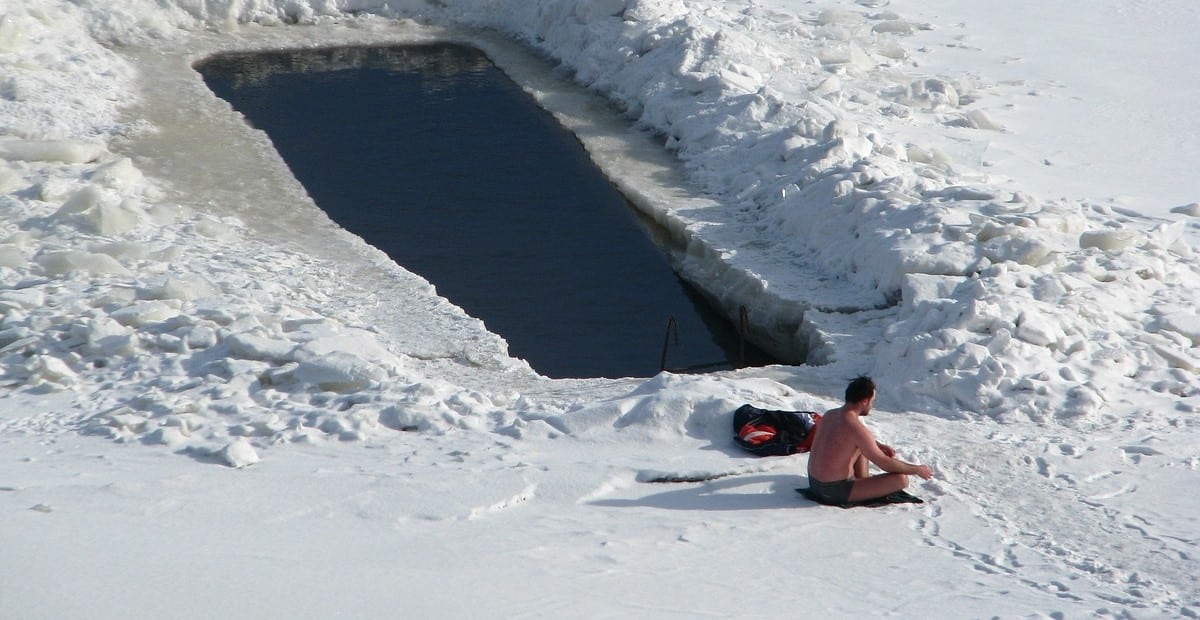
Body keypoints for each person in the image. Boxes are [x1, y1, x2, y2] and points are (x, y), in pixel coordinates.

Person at [806, 376, 932, 504]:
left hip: (814, 484)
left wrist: (879, 446)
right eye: (872, 401)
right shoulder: (855, 427)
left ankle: (863, 482)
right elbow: (884, 463)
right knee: (901, 479)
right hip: (834, 492)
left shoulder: (830, 415)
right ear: (864, 401)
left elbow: (842, 439)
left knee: (861, 448)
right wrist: (917, 469)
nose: (872, 405)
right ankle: (863, 486)